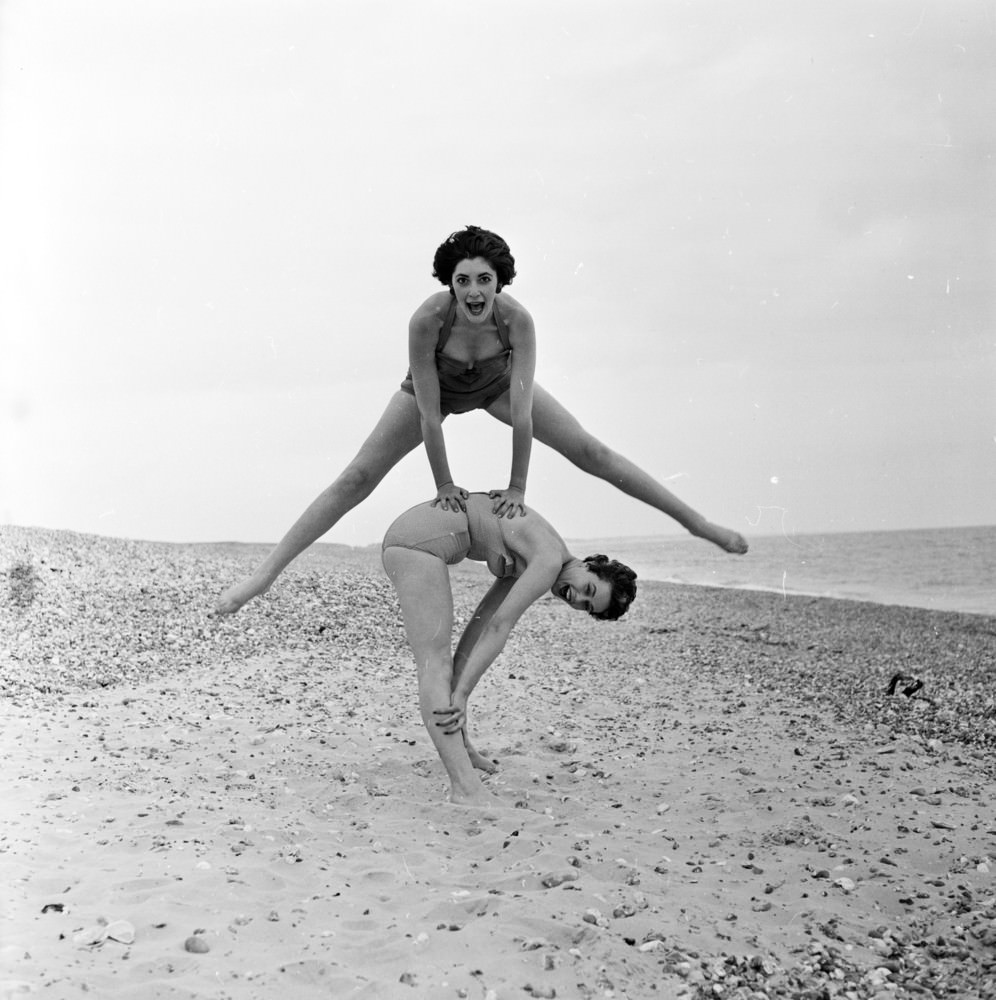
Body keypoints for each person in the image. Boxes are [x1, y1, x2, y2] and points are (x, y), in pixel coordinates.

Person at [214, 225, 746, 616]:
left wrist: (517, 488)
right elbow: (428, 414)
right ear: (450, 282)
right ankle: (261, 578)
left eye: (484, 280)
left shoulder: (517, 321)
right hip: (437, 391)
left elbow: (522, 413)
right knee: (355, 478)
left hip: (495, 387)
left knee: (592, 452)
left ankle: (700, 525)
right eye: (462, 279)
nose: (473, 291)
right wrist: (443, 484)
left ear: (499, 282)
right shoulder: (427, 320)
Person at [381, 492, 637, 805]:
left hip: (416, 537)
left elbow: (478, 629)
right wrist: (459, 696)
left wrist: (462, 696)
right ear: (589, 565)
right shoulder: (548, 560)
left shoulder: (534, 559)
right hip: (417, 544)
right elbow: (500, 626)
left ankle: (462, 751)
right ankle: (465, 788)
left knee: (448, 662)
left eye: (586, 606)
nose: (576, 598)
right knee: (435, 664)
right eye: (588, 589)